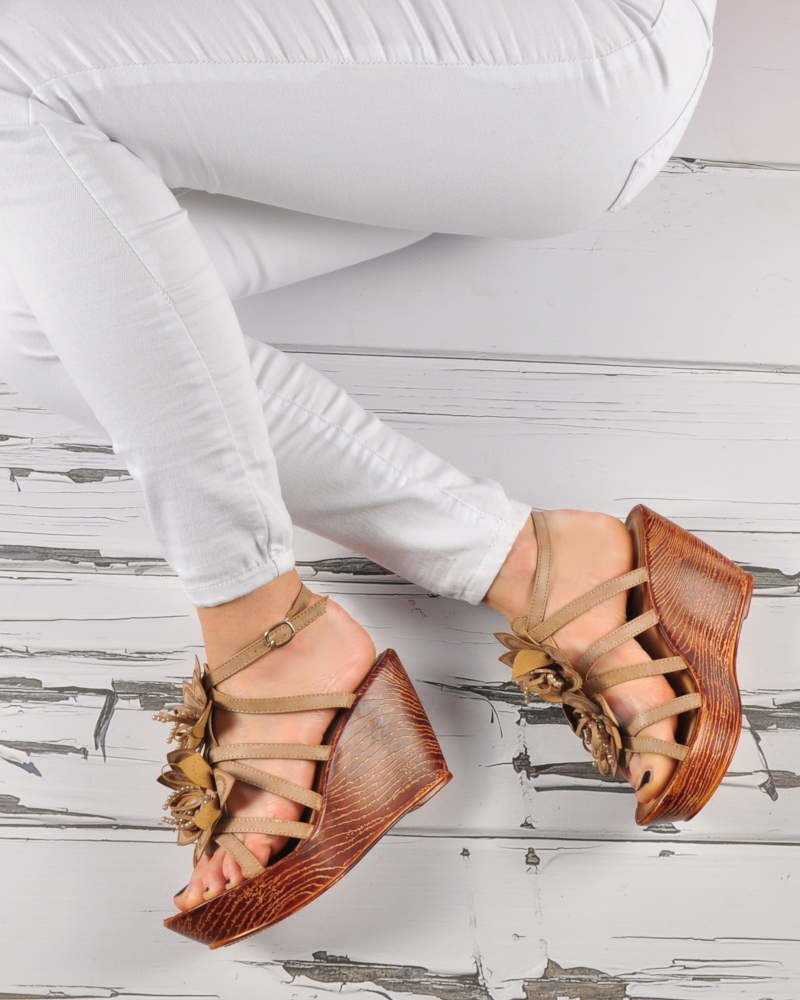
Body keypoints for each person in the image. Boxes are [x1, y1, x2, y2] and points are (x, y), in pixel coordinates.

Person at [2, 0, 742, 942]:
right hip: (405, 118)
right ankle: (531, 560)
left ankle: (260, 623)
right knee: (37, 304)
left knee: (11, 70)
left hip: (571, 52)